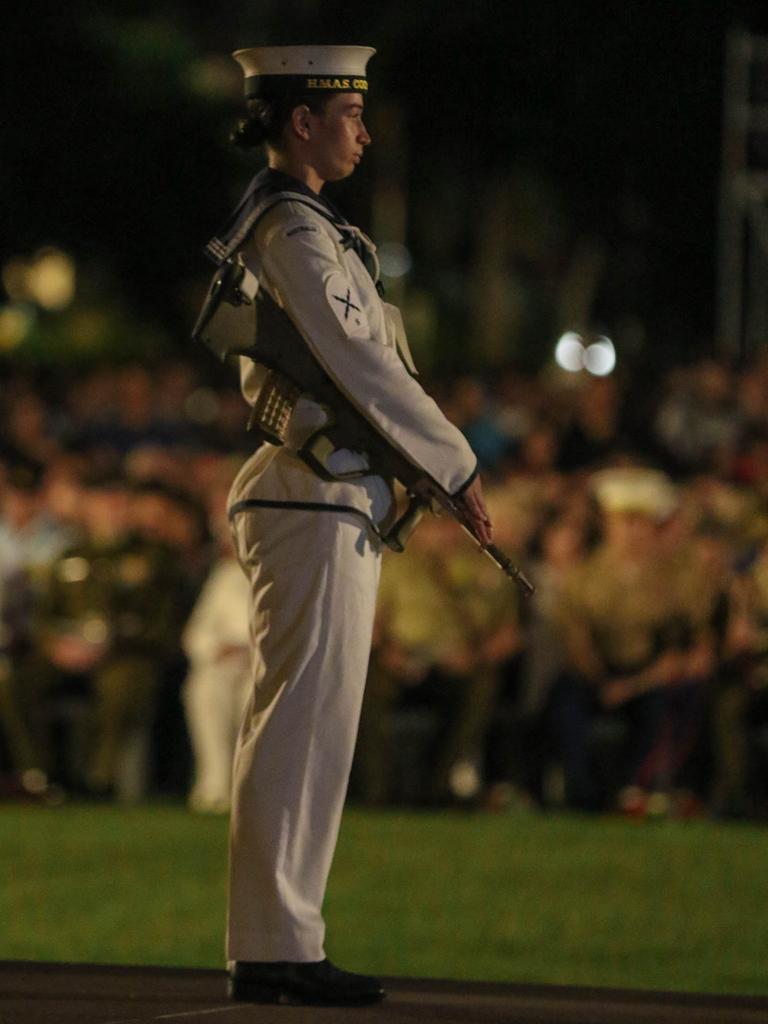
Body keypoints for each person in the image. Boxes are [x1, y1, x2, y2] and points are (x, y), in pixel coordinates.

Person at [204, 45, 490, 1005]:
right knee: (300, 728)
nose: (364, 131)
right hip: (311, 494)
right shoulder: (293, 227)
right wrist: (458, 466)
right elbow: (363, 365)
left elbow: (369, 360)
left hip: (325, 496)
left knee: (308, 729)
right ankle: (277, 947)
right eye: (349, 113)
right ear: (301, 123)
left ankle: (279, 943)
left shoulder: (315, 226)